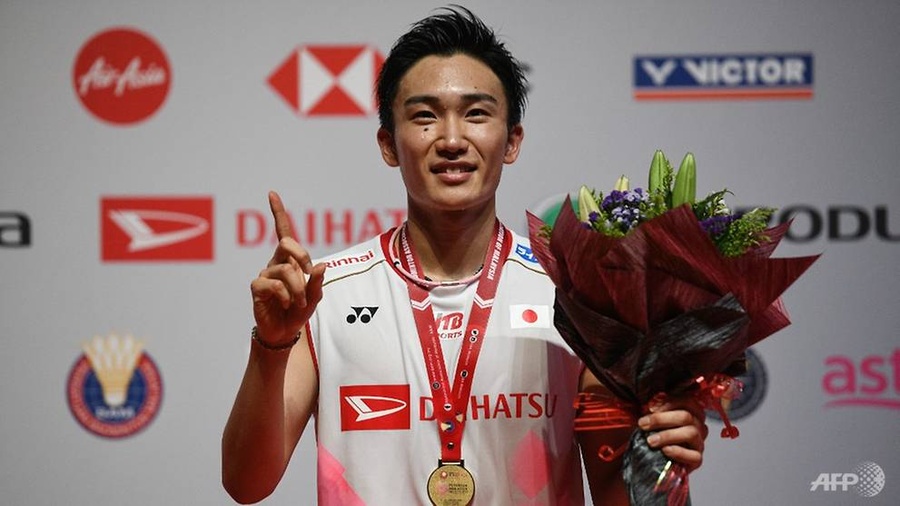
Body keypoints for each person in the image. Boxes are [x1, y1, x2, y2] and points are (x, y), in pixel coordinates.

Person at [222, 6, 707, 505]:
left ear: (511, 140)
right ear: (389, 144)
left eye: (476, 114)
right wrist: (272, 345)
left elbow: (618, 495)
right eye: (425, 116)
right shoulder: (325, 292)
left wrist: (662, 464)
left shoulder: (576, 294)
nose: (452, 140)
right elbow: (245, 483)